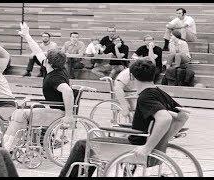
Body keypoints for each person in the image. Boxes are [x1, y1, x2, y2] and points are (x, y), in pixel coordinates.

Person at [59, 60, 189, 177]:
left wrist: (148, 147)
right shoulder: (160, 93)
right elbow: (183, 116)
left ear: (131, 76)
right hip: (141, 141)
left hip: (135, 145)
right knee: (98, 143)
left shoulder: (146, 96)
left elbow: (164, 118)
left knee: (82, 145)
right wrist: (164, 140)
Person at [3, 22, 75, 152]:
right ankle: (8, 145)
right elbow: (37, 50)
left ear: (48, 62)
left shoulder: (55, 78)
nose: (43, 56)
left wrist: (69, 116)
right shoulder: (55, 67)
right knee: (18, 112)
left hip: (58, 113)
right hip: (52, 107)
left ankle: (9, 147)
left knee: (19, 114)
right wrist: (26, 35)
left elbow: (68, 90)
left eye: (45, 56)